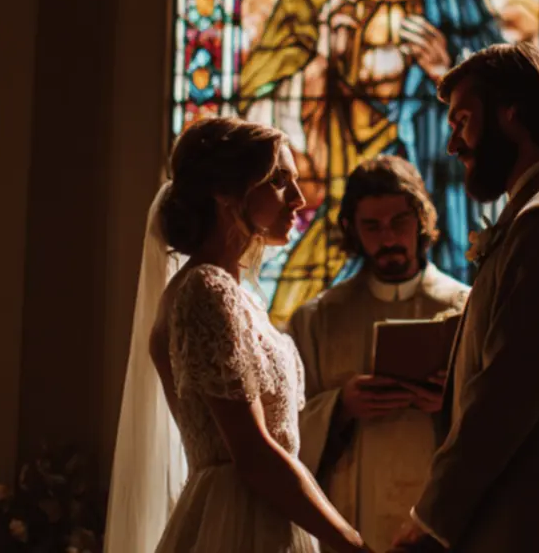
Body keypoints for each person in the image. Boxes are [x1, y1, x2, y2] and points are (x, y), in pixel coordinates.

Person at [238, 0, 503, 323]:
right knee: (295, 322)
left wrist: (450, 74)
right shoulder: (308, 3)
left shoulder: (460, 7)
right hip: (334, 224)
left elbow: (507, 124)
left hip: (441, 220)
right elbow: (255, 130)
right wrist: (322, 62)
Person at [389, 42, 539, 553]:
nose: (454, 145)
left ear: (511, 113)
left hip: (532, 526)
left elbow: (507, 396)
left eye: (463, 121)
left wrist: (431, 521)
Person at [133, 117, 375, 553]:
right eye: (280, 181)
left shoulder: (237, 296)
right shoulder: (205, 290)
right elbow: (253, 454)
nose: (299, 199)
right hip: (237, 521)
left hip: (272, 509)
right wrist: (348, 540)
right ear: (226, 192)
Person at [288, 156, 470, 545]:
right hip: (352, 518)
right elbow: (286, 429)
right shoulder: (318, 318)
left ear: (421, 219)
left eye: (399, 222)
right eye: (372, 226)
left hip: (437, 519)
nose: (388, 238)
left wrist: (449, 400)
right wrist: (340, 407)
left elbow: (498, 419)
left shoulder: (466, 308)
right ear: (352, 229)